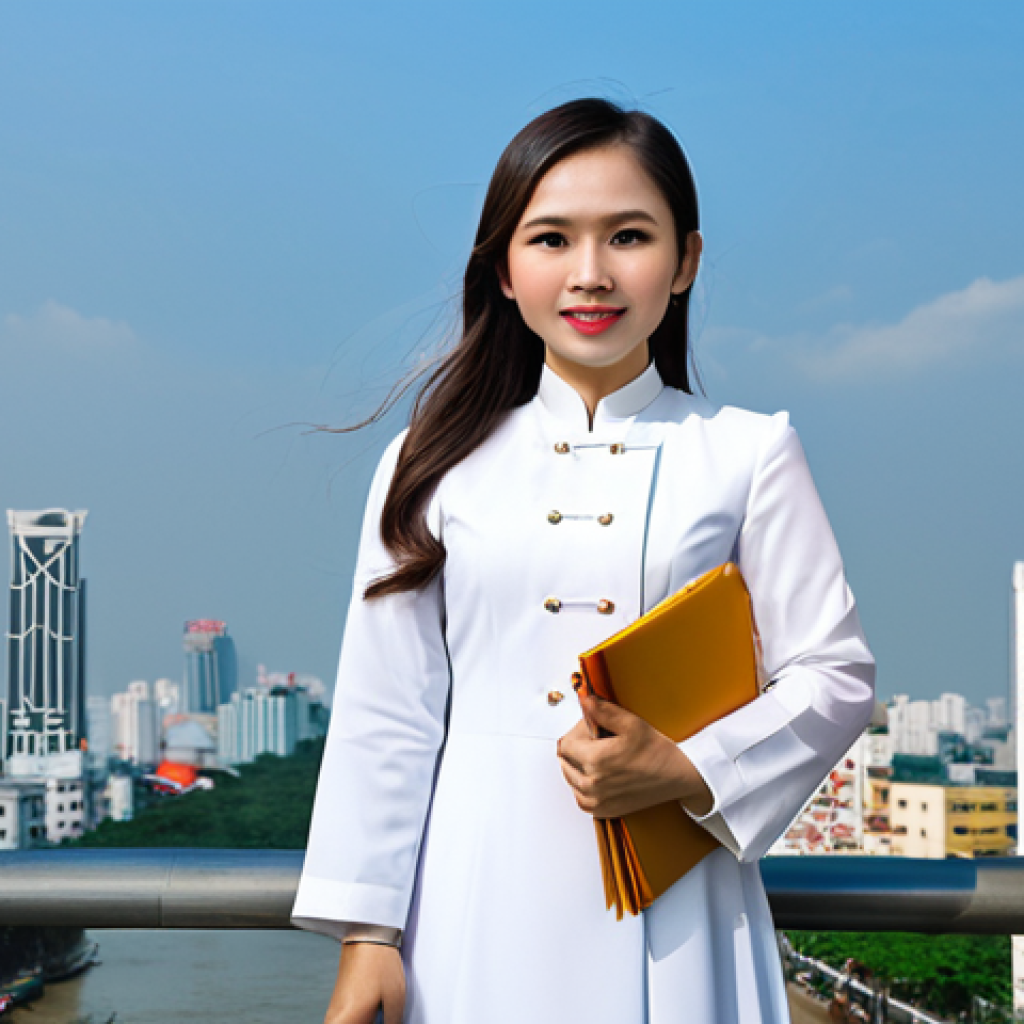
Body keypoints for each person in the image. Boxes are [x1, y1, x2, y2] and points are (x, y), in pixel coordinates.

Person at [291, 98, 876, 1024]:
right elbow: (386, 711)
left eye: (630, 236)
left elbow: (835, 676)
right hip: (471, 901)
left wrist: (689, 768)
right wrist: (369, 935)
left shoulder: (750, 450)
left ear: (683, 261)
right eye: (552, 239)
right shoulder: (428, 461)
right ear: (504, 268)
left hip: (681, 893)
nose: (592, 274)